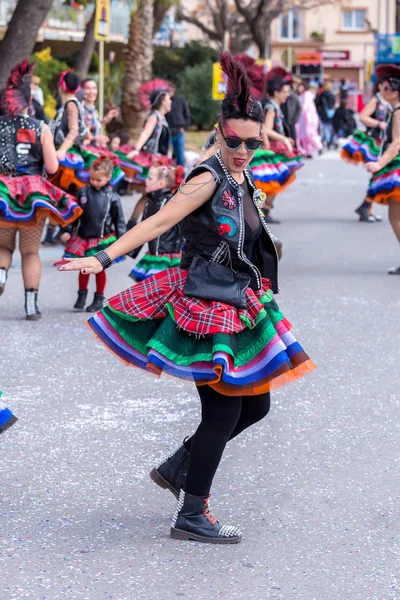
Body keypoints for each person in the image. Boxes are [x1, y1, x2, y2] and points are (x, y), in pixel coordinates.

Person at [59, 51, 315, 545]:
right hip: (204, 301)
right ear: (218, 134)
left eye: (252, 143)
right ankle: (192, 513)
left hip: (239, 298)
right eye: (234, 141)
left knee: (255, 408)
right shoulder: (207, 176)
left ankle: (180, 466)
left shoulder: (244, 175)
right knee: (222, 413)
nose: (242, 151)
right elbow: (158, 222)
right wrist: (103, 258)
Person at [0, 60, 82, 320]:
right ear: (30, 102)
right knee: (30, 252)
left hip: (3, 190)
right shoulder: (41, 127)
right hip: (32, 193)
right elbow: (51, 165)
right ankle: (31, 305)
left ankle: (1, 274)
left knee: (2, 248)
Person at [60, 157, 126, 312]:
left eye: (99, 179)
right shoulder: (82, 192)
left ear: (108, 178)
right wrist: (68, 230)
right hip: (84, 237)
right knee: (83, 266)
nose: (95, 182)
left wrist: (122, 241)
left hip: (101, 238)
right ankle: (82, 295)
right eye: (92, 179)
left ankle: (99, 297)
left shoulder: (113, 197)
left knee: (99, 268)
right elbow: (75, 214)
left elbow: (119, 221)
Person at [366, 64, 400, 274]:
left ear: (395, 92)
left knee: (395, 217)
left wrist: (379, 164)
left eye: (386, 88)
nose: (382, 91)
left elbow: (397, 143)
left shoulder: (398, 112)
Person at [341, 81, 391, 222]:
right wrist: (379, 124)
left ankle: (366, 207)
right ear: (380, 86)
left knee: (378, 175)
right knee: (378, 175)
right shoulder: (376, 100)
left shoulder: (390, 102)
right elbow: (363, 117)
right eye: (386, 86)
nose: (389, 90)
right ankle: (365, 207)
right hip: (374, 142)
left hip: (385, 143)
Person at [129, 164, 184, 281]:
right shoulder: (149, 203)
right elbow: (142, 230)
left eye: (150, 178)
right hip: (153, 255)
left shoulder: (171, 202)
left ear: (161, 184)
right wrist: (131, 250)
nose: (146, 181)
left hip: (169, 256)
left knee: (162, 292)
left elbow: (183, 228)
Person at [81, 78, 118, 148]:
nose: (91, 91)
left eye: (94, 88)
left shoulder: (94, 110)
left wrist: (106, 119)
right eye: (88, 88)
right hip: (84, 151)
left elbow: (94, 126)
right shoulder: (80, 109)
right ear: (82, 90)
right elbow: (80, 131)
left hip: (95, 149)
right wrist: (96, 139)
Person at [295, 80, 322, 158]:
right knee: (304, 136)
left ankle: (319, 146)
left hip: (310, 118)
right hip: (303, 119)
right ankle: (308, 152)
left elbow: (305, 106)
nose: (299, 88)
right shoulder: (301, 95)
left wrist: (299, 113)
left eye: (300, 86)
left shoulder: (307, 94)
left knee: (309, 134)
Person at [166, 86, 191, 168]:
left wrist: (185, 127)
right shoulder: (165, 101)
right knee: (165, 154)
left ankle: (181, 176)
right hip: (168, 132)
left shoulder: (180, 100)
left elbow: (187, 113)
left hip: (179, 131)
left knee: (180, 155)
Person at [315, 80, 336, 150]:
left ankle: (325, 140)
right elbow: (334, 103)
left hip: (323, 112)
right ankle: (329, 141)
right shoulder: (332, 94)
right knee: (330, 127)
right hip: (331, 112)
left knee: (325, 127)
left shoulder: (322, 94)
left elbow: (317, 103)